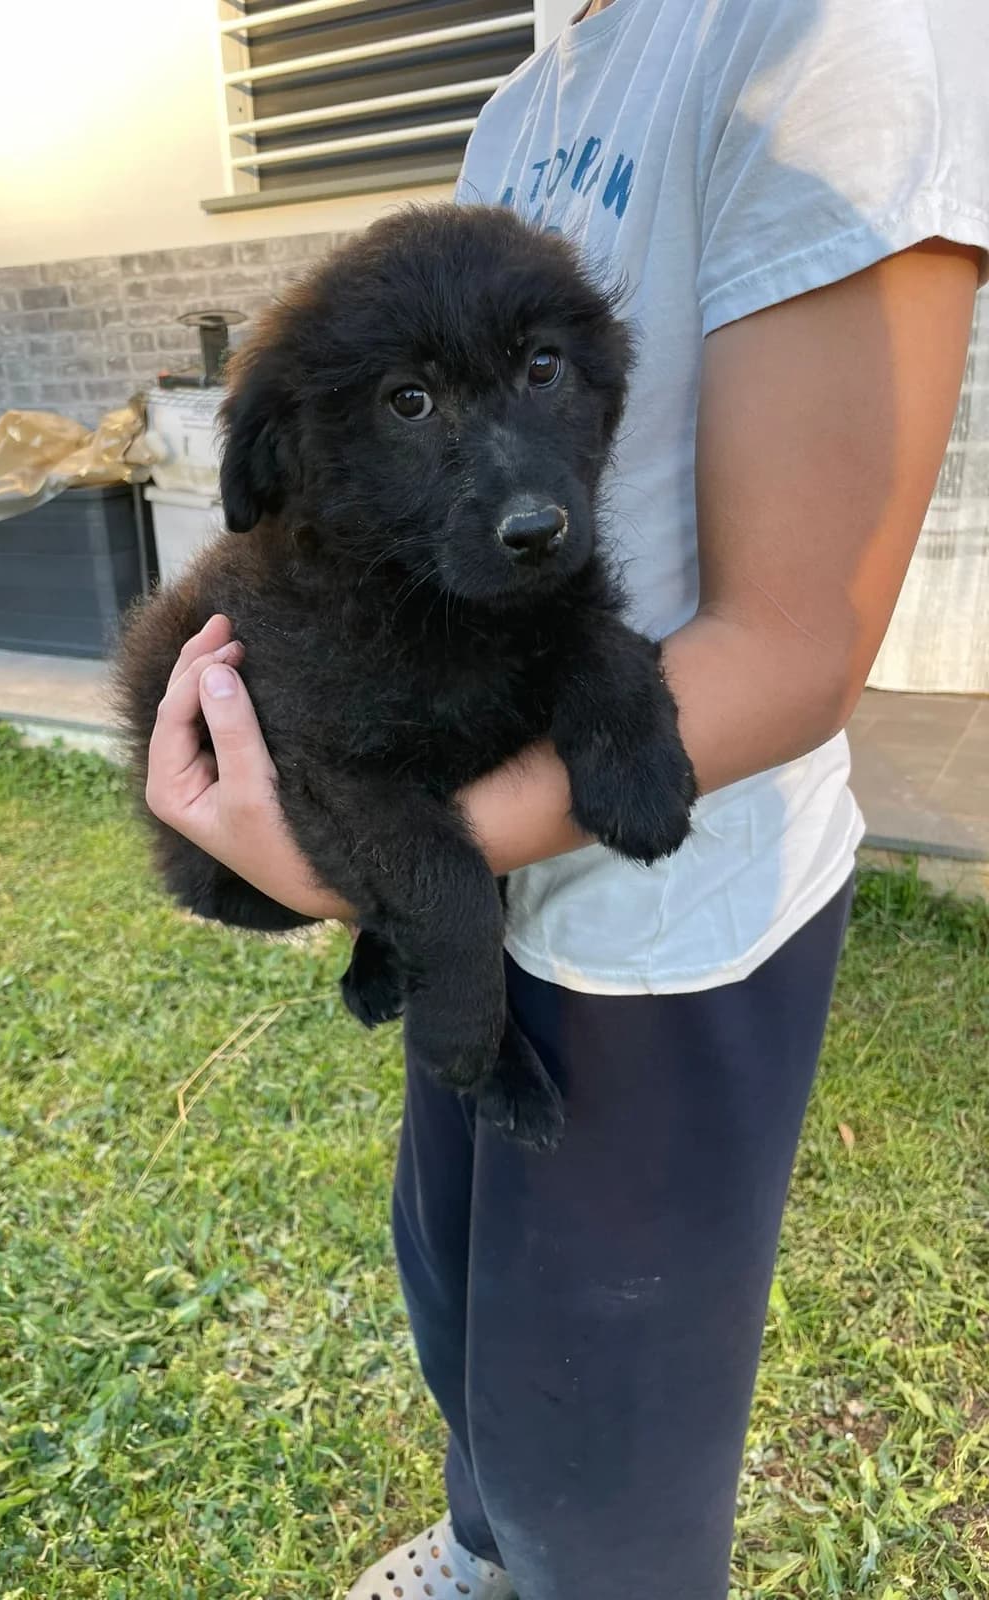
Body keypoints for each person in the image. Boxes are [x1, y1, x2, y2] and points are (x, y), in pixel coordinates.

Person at [144, 1, 988, 1595]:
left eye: (539, 370)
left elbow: (798, 645)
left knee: (609, 1429)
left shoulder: (831, 35)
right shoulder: (535, 90)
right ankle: (480, 1552)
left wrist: (373, 870)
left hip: (671, 931)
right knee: (463, 1296)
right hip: (503, 871)